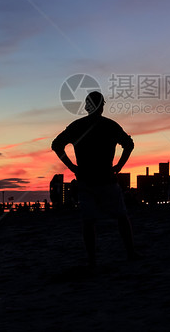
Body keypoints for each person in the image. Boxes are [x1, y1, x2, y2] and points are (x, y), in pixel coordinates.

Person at [52, 91, 138, 267]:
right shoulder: (110, 125)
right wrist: (119, 167)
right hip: (106, 178)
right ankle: (130, 253)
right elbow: (129, 145)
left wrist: (73, 168)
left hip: (86, 180)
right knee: (121, 216)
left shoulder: (77, 126)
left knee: (89, 221)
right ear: (102, 106)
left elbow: (56, 145)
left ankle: (92, 260)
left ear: (86, 106)